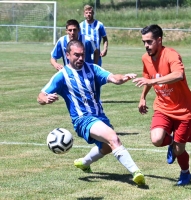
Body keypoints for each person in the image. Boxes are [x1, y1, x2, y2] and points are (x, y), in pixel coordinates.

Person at [38, 40, 145, 186]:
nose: (81, 58)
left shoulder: (92, 68)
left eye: (83, 55)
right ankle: (136, 172)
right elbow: (41, 96)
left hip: (100, 117)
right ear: (67, 55)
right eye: (77, 55)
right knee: (114, 139)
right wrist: (46, 99)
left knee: (107, 147)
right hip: (82, 120)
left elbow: (113, 77)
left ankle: (84, 162)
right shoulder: (62, 76)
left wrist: (122, 78)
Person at [132, 24, 191, 186]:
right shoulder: (145, 58)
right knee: (156, 139)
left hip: (184, 110)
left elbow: (178, 74)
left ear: (159, 40)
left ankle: (185, 173)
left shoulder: (171, 55)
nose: (146, 46)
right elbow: (148, 77)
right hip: (162, 107)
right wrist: (143, 98)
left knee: (179, 150)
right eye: (144, 42)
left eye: (149, 42)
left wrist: (152, 81)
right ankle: (171, 143)